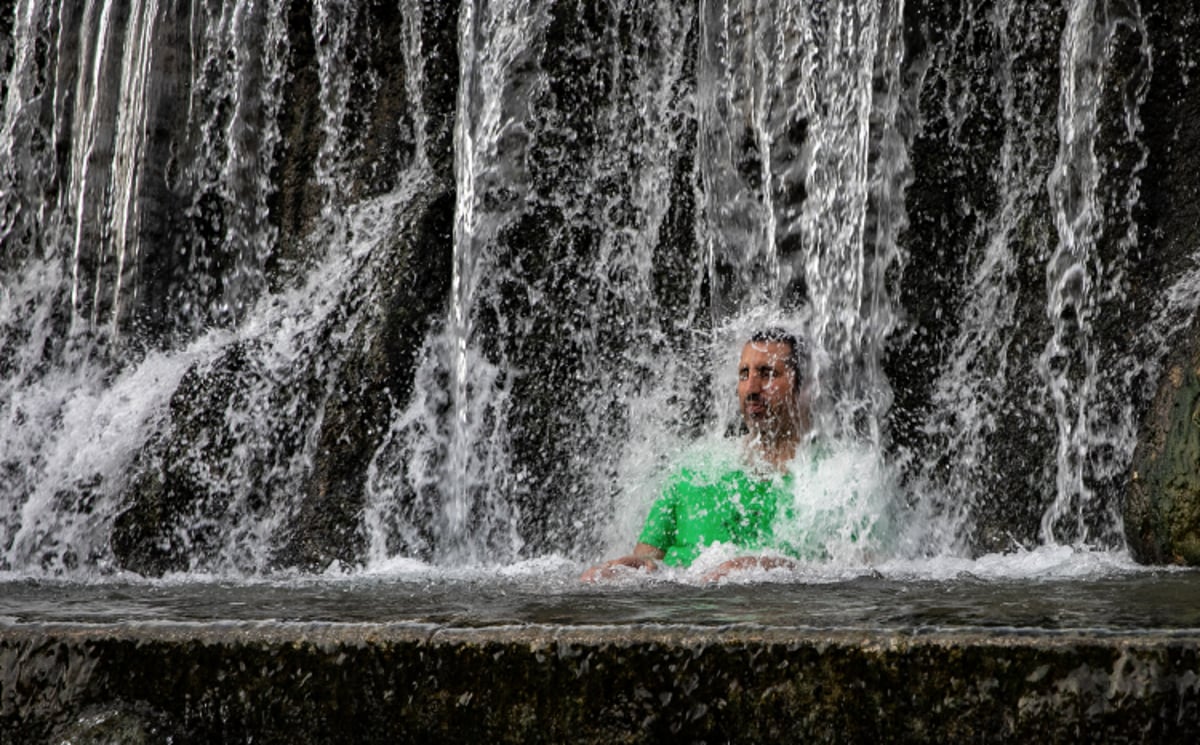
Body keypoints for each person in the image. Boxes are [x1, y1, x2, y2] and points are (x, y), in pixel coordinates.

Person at [581, 328, 814, 582]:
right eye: (744, 374)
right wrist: (632, 567)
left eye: (767, 374)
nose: (752, 388)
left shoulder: (832, 479)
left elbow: (851, 569)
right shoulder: (696, 468)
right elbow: (648, 560)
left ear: (803, 388)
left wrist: (772, 568)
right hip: (686, 613)